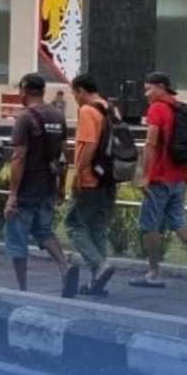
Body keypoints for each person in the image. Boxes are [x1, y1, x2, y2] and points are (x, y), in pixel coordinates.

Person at [130, 72, 187, 289]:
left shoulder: (157, 108)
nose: (146, 94)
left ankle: (153, 272)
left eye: (148, 89)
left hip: (160, 178)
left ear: (161, 87)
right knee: (178, 220)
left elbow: (151, 144)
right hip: (180, 176)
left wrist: (145, 175)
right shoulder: (179, 107)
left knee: (148, 224)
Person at [5, 73, 79, 297]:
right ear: (43, 91)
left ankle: (22, 290)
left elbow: (19, 157)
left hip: (27, 187)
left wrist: (12, 195)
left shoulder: (25, 118)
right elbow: (64, 155)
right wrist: (61, 187)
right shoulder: (57, 115)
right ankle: (64, 267)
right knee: (44, 231)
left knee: (17, 237)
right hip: (48, 185)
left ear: (24, 90)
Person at [65, 74, 116, 295]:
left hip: (90, 178)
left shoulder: (88, 110)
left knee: (74, 224)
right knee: (97, 227)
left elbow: (89, 144)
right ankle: (97, 280)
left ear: (81, 91)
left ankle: (100, 265)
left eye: (74, 93)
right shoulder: (110, 108)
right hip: (109, 177)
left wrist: (78, 173)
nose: (75, 98)